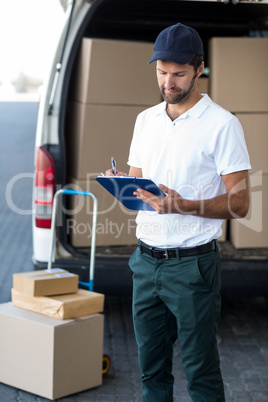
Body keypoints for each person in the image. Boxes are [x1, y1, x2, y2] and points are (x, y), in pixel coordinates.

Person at [106, 23, 251, 401]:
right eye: (162, 71)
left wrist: (182, 204)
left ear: (199, 69)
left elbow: (240, 203)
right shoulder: (145, 121)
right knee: (151, 370)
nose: (169, 82)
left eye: (179, 74)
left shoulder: (222, 125)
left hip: (193, 267)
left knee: (200, 371)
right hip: (144, 260)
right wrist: (121, 183)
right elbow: (139, 190)